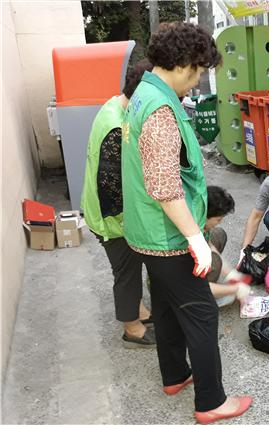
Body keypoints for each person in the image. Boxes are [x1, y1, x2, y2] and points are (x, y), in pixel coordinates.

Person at [121, 22, 252, 423]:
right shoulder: (160, 110)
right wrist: (196, 239)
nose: (196, 83)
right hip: (168, 236)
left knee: (164, 304)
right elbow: (164, 187)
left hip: (144, 233)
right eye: (196, 72)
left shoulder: (142, 93)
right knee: (201, 313)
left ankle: (175, 375)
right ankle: (212, 402)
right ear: (181, 64)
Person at [81, 58, 155, 348]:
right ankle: (132, 328)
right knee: (126, 272)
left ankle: (137, 310)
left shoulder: (114, 105)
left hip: (101, 210)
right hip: (111, 218)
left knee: (129, 268)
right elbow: (113, 189)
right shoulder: (116, 128)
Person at [205, 186, 251, 307]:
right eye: (218, 219)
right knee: (214, 261)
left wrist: (230, 274)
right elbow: (193, 285)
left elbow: (209, 245)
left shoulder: (198, 222)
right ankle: (202, 299)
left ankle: (213, 286)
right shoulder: (186, 237)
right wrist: (234, 290)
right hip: (174, 285)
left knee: (219, 234)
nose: (219, 222)